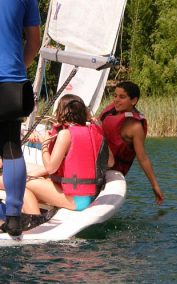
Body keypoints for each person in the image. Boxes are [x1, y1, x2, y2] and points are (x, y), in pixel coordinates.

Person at [11, 94, 114, 229]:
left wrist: (45, 145)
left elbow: (51, 168)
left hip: (77, 200)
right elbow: (111, 162)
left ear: (61, 112)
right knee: (33, 181)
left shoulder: (66, 134)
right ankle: (33, 213)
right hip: (90, 194)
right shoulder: (96, 131)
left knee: (18, 185)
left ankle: (35, 224)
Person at [0, 0, 41, 236]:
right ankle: (14, 218)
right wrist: (18, 69)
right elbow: (34, 43)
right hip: (11, 81)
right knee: (11, 145)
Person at [99, 81, 164, 205]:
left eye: (122, 97)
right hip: (97, 159)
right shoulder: (113, 110)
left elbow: (143, 158)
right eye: (115, 96)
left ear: (133, 101)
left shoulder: (135, 126)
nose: (116, 100)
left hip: (110, 168)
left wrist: (155, 185)